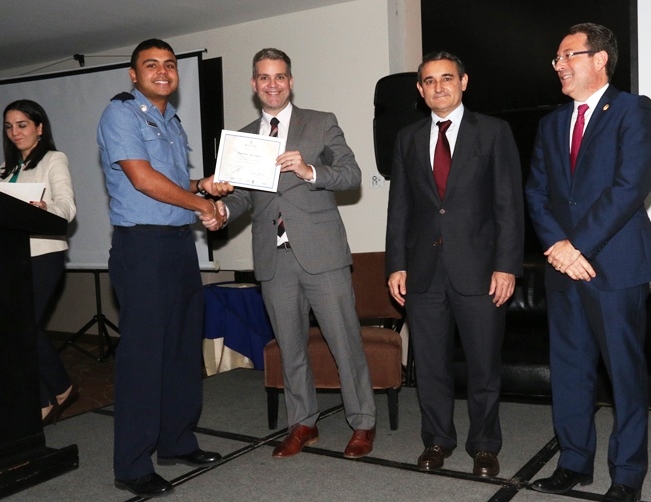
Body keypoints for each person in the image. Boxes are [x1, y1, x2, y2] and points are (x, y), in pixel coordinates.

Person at [525, 23, 651, 502]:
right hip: (564, 268)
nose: (559, 65)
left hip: (614, 265)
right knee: (569, 369)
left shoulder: (632, 110)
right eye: (557, 58)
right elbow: (537, 193)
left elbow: (630, 186)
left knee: (623, 373)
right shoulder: (551, 124)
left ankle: (627, 476)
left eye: (569, 55)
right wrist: (558, 247)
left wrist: (577, 246)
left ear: (600, 59)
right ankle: (573, 462)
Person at [216, 48, 377, 460]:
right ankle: (303, 423)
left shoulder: (321, 122)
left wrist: (309, 171)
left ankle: (362, 422)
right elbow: (243, 198)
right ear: (254, 84)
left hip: (323, 255)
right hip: (274, 260)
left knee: (345, 343)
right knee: (290, 348)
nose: (272, 84)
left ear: (290, 81)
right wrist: (221, 212)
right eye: (264, 77)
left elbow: (351, 174)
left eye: (279, 76)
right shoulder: (244, 138)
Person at [97, 38, 232, 497]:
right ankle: (133, 465)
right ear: (133, 75)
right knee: (144, 357)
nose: (162, 71)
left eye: (170, 65)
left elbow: (171, 181)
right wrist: (203, 205)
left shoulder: (171, 120)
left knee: (180, 348)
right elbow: (143, 179)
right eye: (151, 64)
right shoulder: (120, 114)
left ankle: (177, 441)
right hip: (143, 248)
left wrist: (202, 185)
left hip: (178, 246)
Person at [385, 51, 524, 478]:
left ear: (464, 82)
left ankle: (484, 445)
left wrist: (507, 266)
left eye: (446, 78)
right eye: (429, 81)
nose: (438, 87)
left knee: (483, 366)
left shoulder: (494, 132)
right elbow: (400, 207)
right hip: (423, 272)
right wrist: (396, 264)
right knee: (429, 366)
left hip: (481, 272)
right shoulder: (407, 138)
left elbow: (509, 204)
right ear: (420, 89)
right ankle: (437, 440)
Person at [2, 99, 78, 425]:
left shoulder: (53, 159)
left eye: (22, 125)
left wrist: (45, 210)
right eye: (9, 127)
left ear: (39, 128)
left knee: (23, 327)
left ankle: (46, 398)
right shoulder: (5, 170)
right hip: (12, 259)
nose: (15, 132)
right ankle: (60, 389)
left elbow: (67, 208)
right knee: (16, 328)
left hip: (44, 254)